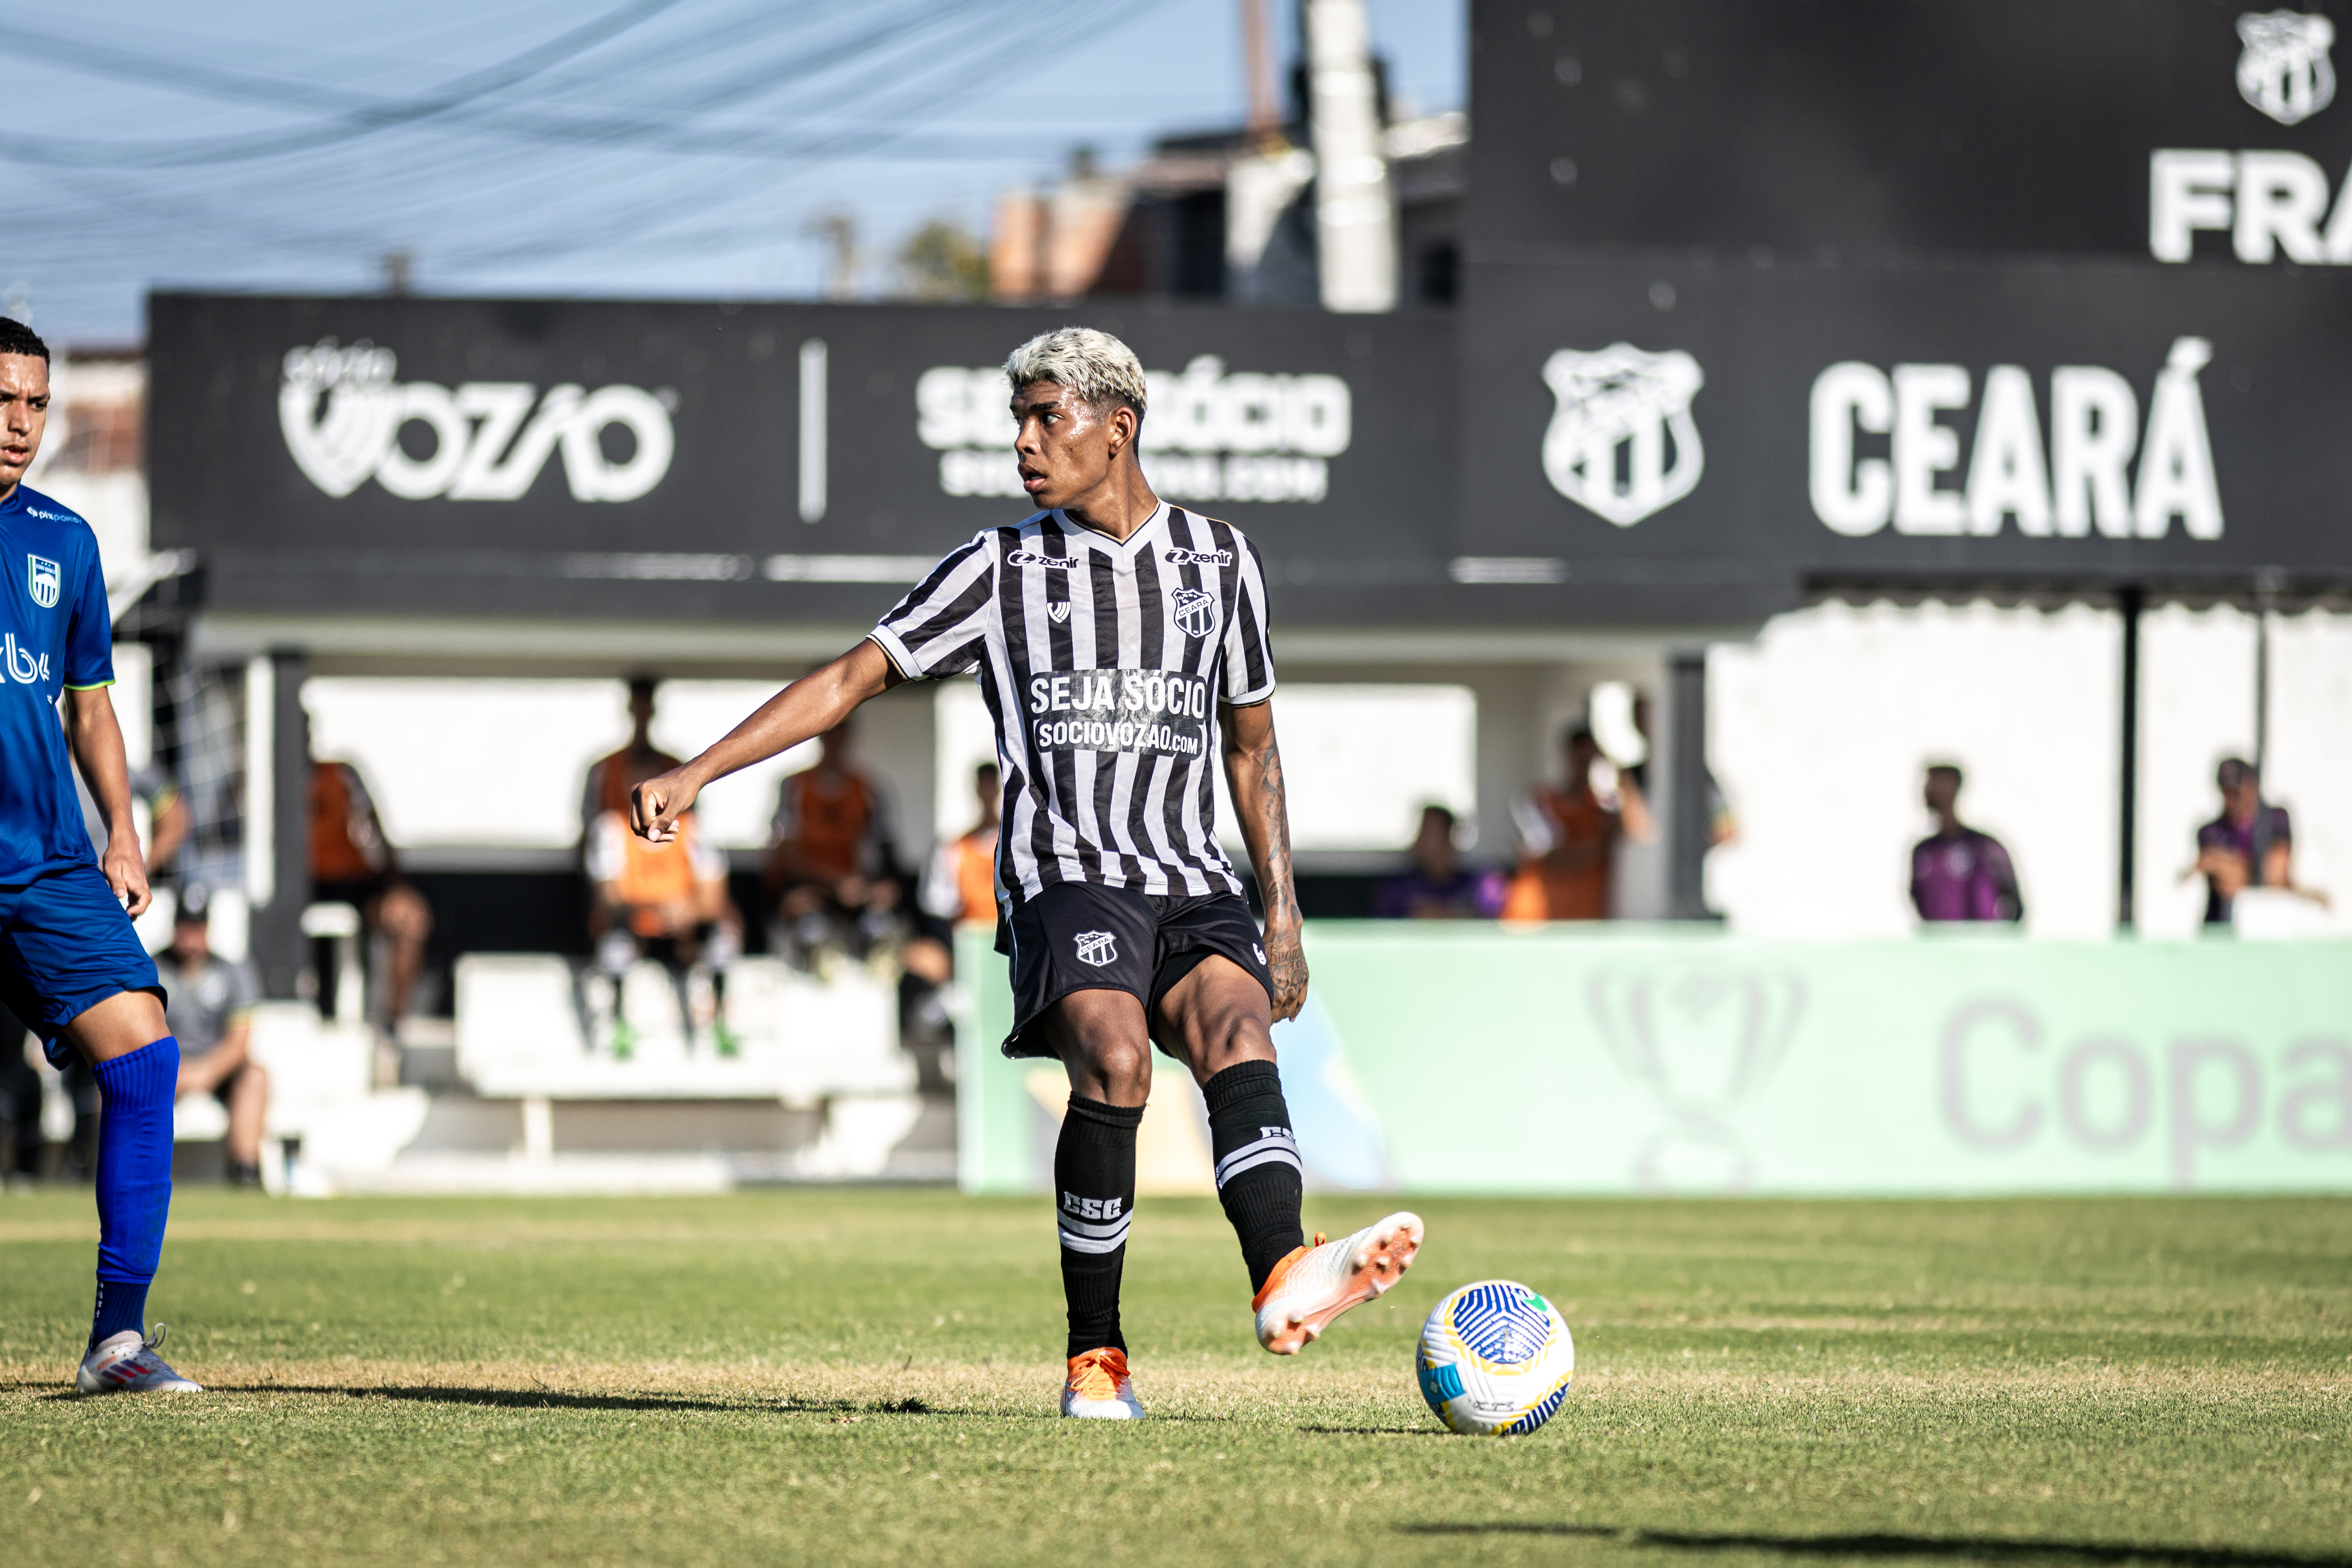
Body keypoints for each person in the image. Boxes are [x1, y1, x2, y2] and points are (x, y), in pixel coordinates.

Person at [630, 326, 1420, 1420]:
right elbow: (855, 675)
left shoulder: (1221, 561)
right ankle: (1094, 1358)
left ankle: (1284, 1273)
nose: (1023, 442)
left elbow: (1250, 744)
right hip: (1067, 875)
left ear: (1117, 427)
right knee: (1113, 1061)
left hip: (1193, 876)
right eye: (1018, 419)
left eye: (1047, 417)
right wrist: (703, 768)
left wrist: (1281, 916)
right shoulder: (998, 566)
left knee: (1239, 1036)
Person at [0, 318, 198, 1393]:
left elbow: (91, 707)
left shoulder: (63, 541)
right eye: (2, 400)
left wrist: (122, 828)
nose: (19, 424)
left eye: (34, 403)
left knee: (145, 1053)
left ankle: (116, 1341)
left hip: (42, 868)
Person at [583, 802, 741, 1057]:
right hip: (636, 925)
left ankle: (720, 1025)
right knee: (614, 946)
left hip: (684, 929)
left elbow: (714, 902)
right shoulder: (612, 828)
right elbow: (607, 899)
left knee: (723, 938)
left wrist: (687, 912)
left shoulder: (693, 828)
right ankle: (616, 1027)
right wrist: (654, 908)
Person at [764, 715, 903, 964]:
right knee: (812, 932)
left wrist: (882, 887)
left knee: (881, 933)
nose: (836, 740)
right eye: (830, 732)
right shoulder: (796, 786)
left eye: (842, 732)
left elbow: (885, 849)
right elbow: (782, 851)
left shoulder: (867, 788)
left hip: (856, 891)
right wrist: (834, 882)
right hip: (807, 887)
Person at [153, 888, 269, 1185]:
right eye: (186, 928)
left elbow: (240, 1039)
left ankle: (246, 1172)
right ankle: (130, 1172)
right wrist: (173, 1070)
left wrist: (207, 1071)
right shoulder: (152, 969)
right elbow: (141, 1033)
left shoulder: (233, 972)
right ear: (175, 928)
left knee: (255, 1077)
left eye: (198, 928)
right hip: (164, 1067)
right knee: (121, 1080)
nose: (192, 937)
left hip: (217, 1067)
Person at [309, 753, 432, 1023]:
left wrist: (396, 884)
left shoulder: (342, 774)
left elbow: (374, 827)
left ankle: (393, 1024)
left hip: (354, 882)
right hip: (302, 886)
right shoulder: (263, 775)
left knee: (409, 918)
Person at [1504, 727, 1622, 920]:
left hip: (1584, 923)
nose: (1585, 768)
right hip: (1534, 920)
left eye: (1592, 761)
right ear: (1566, 758)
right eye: (1581, 760)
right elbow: (1551, 858)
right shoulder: (1540, 800)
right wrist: (1600, 846)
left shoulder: (1604, 807)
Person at [2187, 757, 2312, 925]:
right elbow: (2226, 887)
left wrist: (2221, 863)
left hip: (2274, 926)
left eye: (2236, 792)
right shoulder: (2210, 832)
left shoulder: (2275, 820)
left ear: (2251, 786)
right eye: (2226, 792)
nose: (2230, 799)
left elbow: (2276, 874)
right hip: (2223, 929)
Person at [1909, 764, 2023, 924]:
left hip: (1979, 945)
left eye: (1934, 782)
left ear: (1953, 787)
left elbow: (2015, 904)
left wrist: (1997, 939)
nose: (1927, 790)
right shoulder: (1923, 852)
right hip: (1937, 947)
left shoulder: (1984, 846)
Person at [581, 675, 681, 841]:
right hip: (616, 862)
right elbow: (589, 824)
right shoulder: (604, 769)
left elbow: (691, 828)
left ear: (652, 710)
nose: (642, 712)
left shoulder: (675, 767)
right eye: (638, 705)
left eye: (645, 705)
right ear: (631, 708)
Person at [1373, 805, 1506, 919]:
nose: (1421, 840)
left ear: (1450, 837)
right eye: (1420, 831)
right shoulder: (1399, 889)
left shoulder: (1476, 884)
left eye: (1430, 831)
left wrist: (1443, 914)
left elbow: (1496, 917)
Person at [920, 761, 1003, 929]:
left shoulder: (1014, 846)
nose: (988, 793)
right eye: (983, 786)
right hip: (968, 936)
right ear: (977, 789)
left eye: (991, 785)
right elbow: (937, 902)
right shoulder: (956, 850)